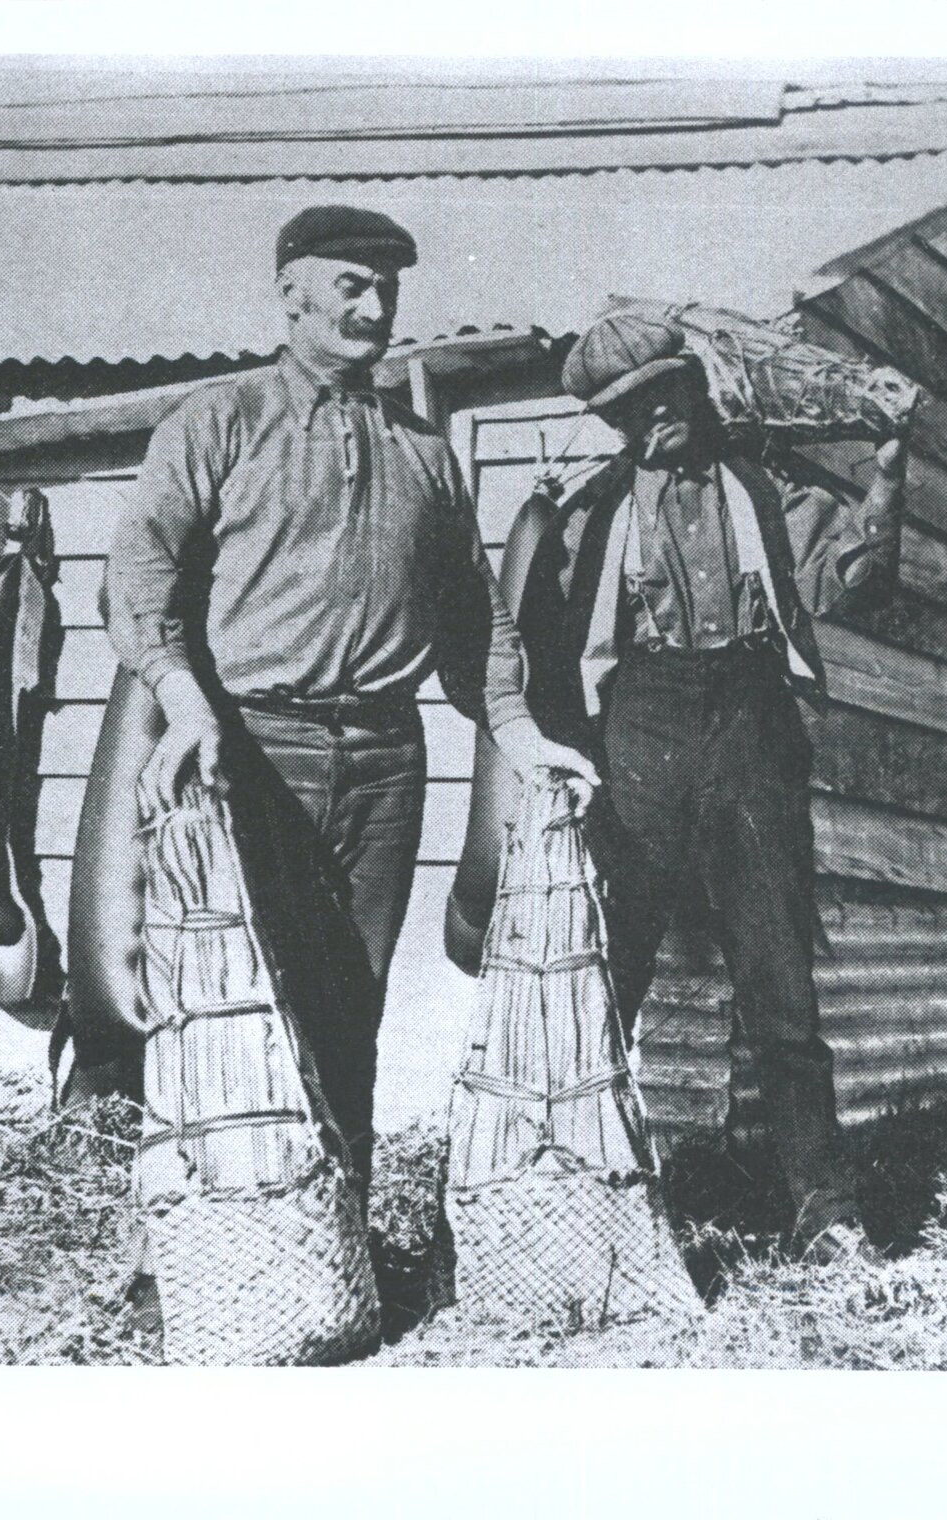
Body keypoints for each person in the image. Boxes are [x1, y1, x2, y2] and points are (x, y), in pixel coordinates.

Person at [106, 204, 594, 1206]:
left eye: (388, 288)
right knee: (246, 995)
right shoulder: (219, 421)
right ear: (291, 296)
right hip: (254, 745)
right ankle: (214, 1228)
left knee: (349, 1004)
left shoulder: (423, 453)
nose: (375, 306)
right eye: (352, 285)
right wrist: (186, 703)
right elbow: (140, 572)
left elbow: (476, 624)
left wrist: (522, 731)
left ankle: (338, 1231)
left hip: (383, 757)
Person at [551, 313, 907, 1263]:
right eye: (621, 412)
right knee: (611, 968)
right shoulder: (591, 512)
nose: (646, 422)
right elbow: (540, 645)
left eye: (656, 400)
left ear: (688, 387)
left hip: (750, 723)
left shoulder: (763, 487)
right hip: (642, 727)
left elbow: (850, 582)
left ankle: (825, 1211)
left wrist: (885, 478)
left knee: (779, 979)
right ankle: (579, 1197)